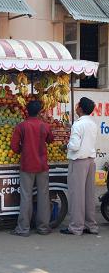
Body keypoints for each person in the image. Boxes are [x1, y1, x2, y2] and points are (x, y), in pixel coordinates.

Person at [10, 100, 54, 237]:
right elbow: (51, 140)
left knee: (26, 196)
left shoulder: (21, 126)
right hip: (42, 166)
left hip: (27, 165)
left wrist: (22, 150)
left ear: (27, 111)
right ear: (40, 111)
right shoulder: (45, 126)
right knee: (43, 196)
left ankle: (23, 229)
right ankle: (43, 227)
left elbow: (14, 146)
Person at [60, 97, 99, 235]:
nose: (75, 107)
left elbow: (75, 146)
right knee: (89, 194)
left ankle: (76, 227)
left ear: (80, 109)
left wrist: (66, 146)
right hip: (90, 161)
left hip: (78, 162)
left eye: (77, 105)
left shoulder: (78, 124)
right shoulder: (92, 123)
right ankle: (91, 225)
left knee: (76, 195)